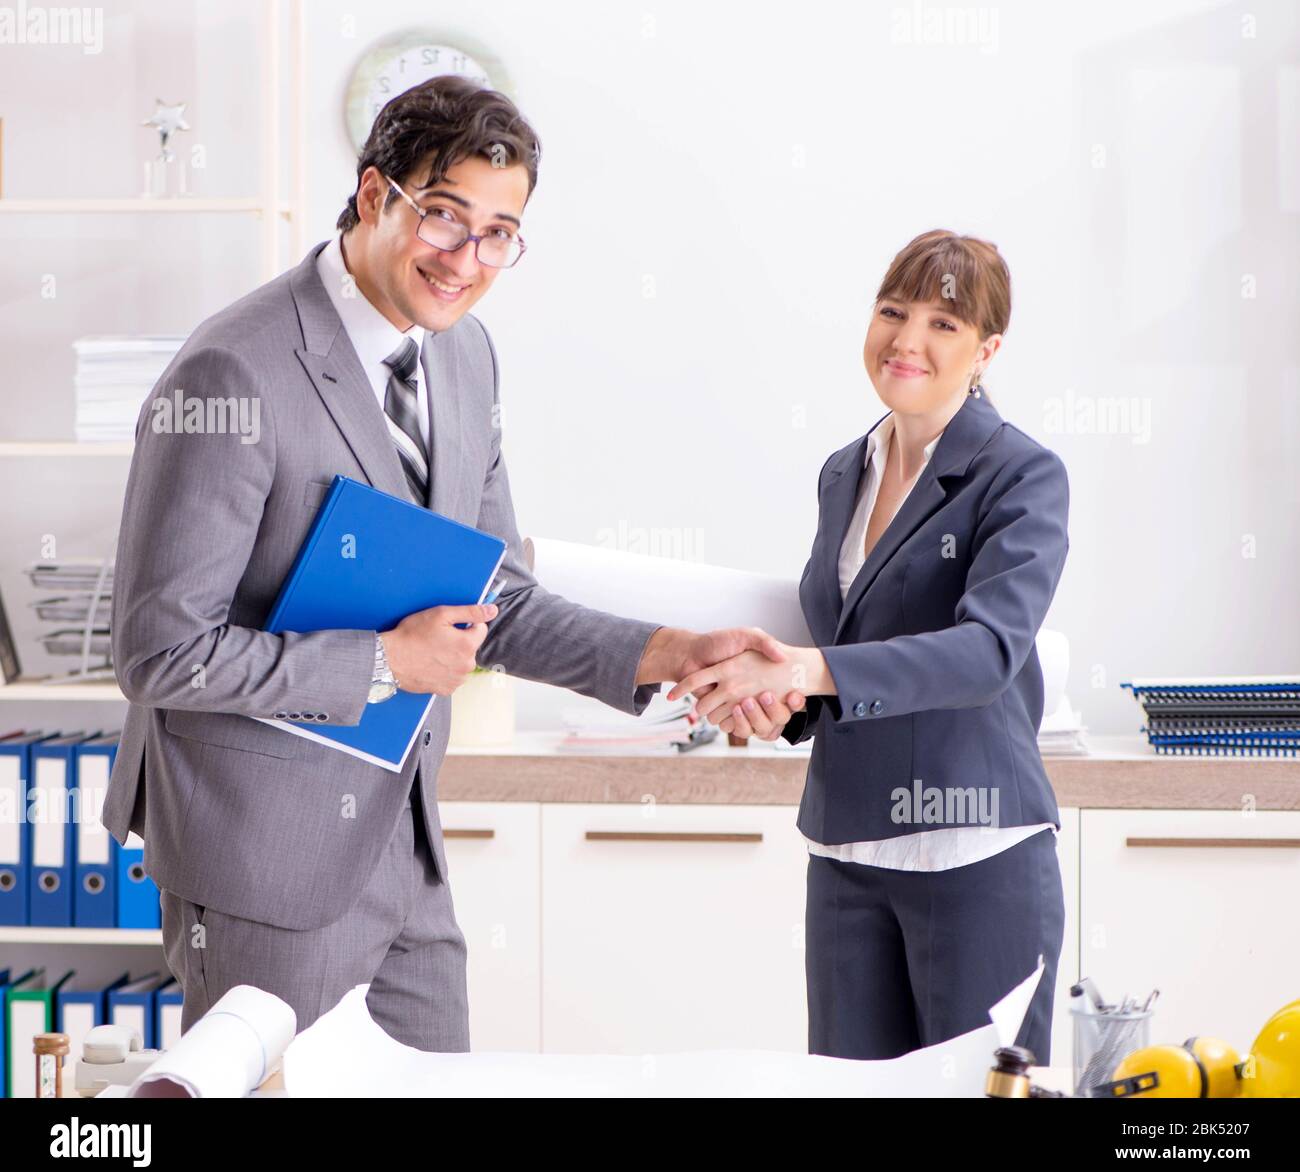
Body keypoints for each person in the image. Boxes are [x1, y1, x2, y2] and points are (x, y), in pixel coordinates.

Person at [103, 76, 800, 1051]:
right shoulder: (235, 369)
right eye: (444, 217)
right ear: (376, 193)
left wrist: (673, 651)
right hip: (263, 857)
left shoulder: (465, 357)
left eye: (500, 233)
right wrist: (385, 662)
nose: (467, 258)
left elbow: (494, 601)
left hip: (406, 846)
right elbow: (159, 652)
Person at [669, 230, 1070, 1062]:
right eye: (893, 310)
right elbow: (846, 636)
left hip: (973, 849)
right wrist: (776, 696)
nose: (908, 339)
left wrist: (809, 668)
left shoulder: (1022, 474)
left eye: (944, 323)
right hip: (848, 847)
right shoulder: (844, 470)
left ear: (987, 350)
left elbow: (986, 651)